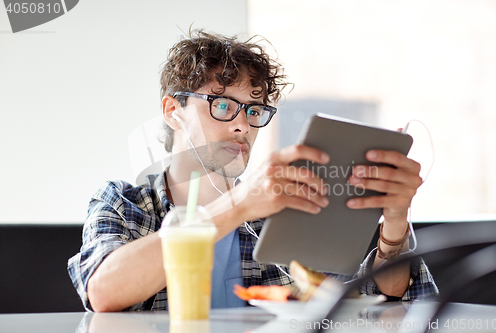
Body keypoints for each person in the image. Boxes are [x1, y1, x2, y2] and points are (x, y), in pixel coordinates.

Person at [68, 30, 438, 312]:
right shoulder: (124, 204)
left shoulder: (284, 214)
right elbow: (103, 291)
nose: (243, 126)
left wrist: (393, 225)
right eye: (223, 105)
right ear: (172, 110)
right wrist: (239, 206)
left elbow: (375, 304)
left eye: (254, 111)